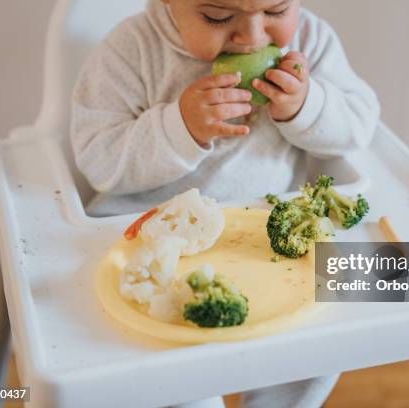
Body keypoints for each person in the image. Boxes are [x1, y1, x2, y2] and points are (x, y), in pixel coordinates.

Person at [71, 0, 380, 406]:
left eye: (276, 11)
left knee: (317, 346)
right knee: (176, 378)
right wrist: (179, 128)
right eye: (216, 17)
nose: (252, 37)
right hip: (151, 246)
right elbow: (99, 159)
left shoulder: (313, 43)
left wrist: (308, 106)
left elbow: (360, 125)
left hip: (264, 243)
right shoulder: (131, 51)